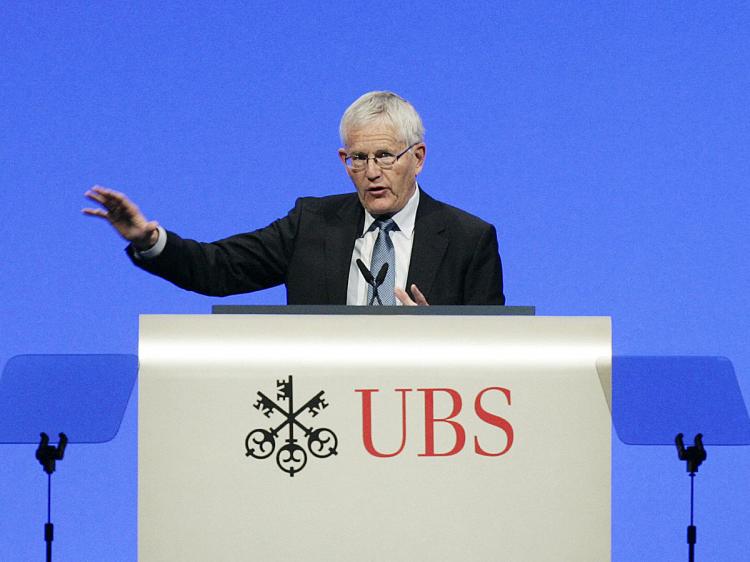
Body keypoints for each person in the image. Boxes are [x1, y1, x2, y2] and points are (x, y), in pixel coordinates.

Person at [83, 91, 505, 306]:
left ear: (418, 158)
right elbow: (218, 269)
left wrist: (442, 339)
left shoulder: (469, 239)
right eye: (358, 158)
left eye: (383, 156)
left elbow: (497, 357)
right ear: (344, 159)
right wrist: (146, 239)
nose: (372, 172)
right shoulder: (312, 224)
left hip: (426, 433)